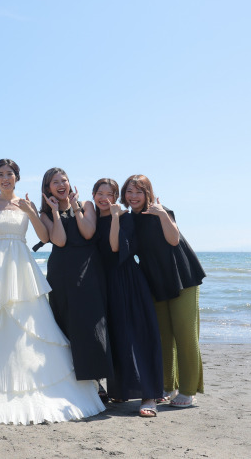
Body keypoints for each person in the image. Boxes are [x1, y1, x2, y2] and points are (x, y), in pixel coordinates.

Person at [0, 159, 105, 424]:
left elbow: (45, 237)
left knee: (30, 324)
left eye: (10, 174)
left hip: (21, 265)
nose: (5, 178)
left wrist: (30, 212)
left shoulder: (28, 204)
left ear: (17, 177)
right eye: (0, 174)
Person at [122, 174, 206, 408]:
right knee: (162, 337)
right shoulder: (128, 219)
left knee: (185, 335)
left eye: (139, 191)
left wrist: (161, 214)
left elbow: (174, 239)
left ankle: (188, 390)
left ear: (148, 193)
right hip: (154, 281)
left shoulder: (161, 211)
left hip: (182, 277)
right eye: (130, 191)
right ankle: (168, 386)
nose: (134, 196)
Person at [38, 168, 113, 399]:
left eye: (64, 180)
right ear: (47, 188)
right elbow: (59, 240)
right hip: (61, 272)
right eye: (55, 182)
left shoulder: (86, 205)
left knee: (91, 324)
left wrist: (74, 207)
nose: (61, 185)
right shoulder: (45, 214)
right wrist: (55, 212)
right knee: (65, 323)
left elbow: (88, 233)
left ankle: (97, 381)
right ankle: (72, 382)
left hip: (88, 270)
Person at [92, 178, 163, 417]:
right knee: (115, 337)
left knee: (137, 336)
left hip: (126, 279)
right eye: (100, 193)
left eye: (110, 194)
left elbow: (115, 247)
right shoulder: (91, 218)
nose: (104, 198)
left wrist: (115, 217)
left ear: (116, 197)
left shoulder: (125, 218)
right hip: (104, 283)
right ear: (93, 195)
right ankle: (120, 390)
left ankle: (149, 396)